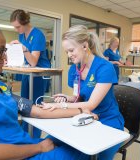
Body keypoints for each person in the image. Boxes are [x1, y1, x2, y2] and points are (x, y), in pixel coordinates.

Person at [0, 10, 95, 160]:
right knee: (83, 149)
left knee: (69, 138)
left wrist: (81, 111)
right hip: (17, 153)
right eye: (0, 51)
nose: (5, 56)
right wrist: (39, 147)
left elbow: (37, 111)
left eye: (6, 50)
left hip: (25, 146)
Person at [41, 25, 125, 160]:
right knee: (49, 142)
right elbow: (79, 97)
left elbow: (91, 104)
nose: (69, 55)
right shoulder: (74, 69)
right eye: (66, 52)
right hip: (85, 116)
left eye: (71, 50)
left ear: (85, 46)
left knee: (89, 153)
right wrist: (67, 98)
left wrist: (60, 106)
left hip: (108, 120)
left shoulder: (105, 68)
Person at [10, 9, 51, 138]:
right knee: (24, 104)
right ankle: (25, 134)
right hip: (28, 73)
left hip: (39, 73)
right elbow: (25, 59)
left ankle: (35, 136)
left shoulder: (38, 35)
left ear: (25, 22)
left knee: (35, 105)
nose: (16, 30)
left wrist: (24, 48)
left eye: (18, 26)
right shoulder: (21, 35)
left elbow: (33, 61)